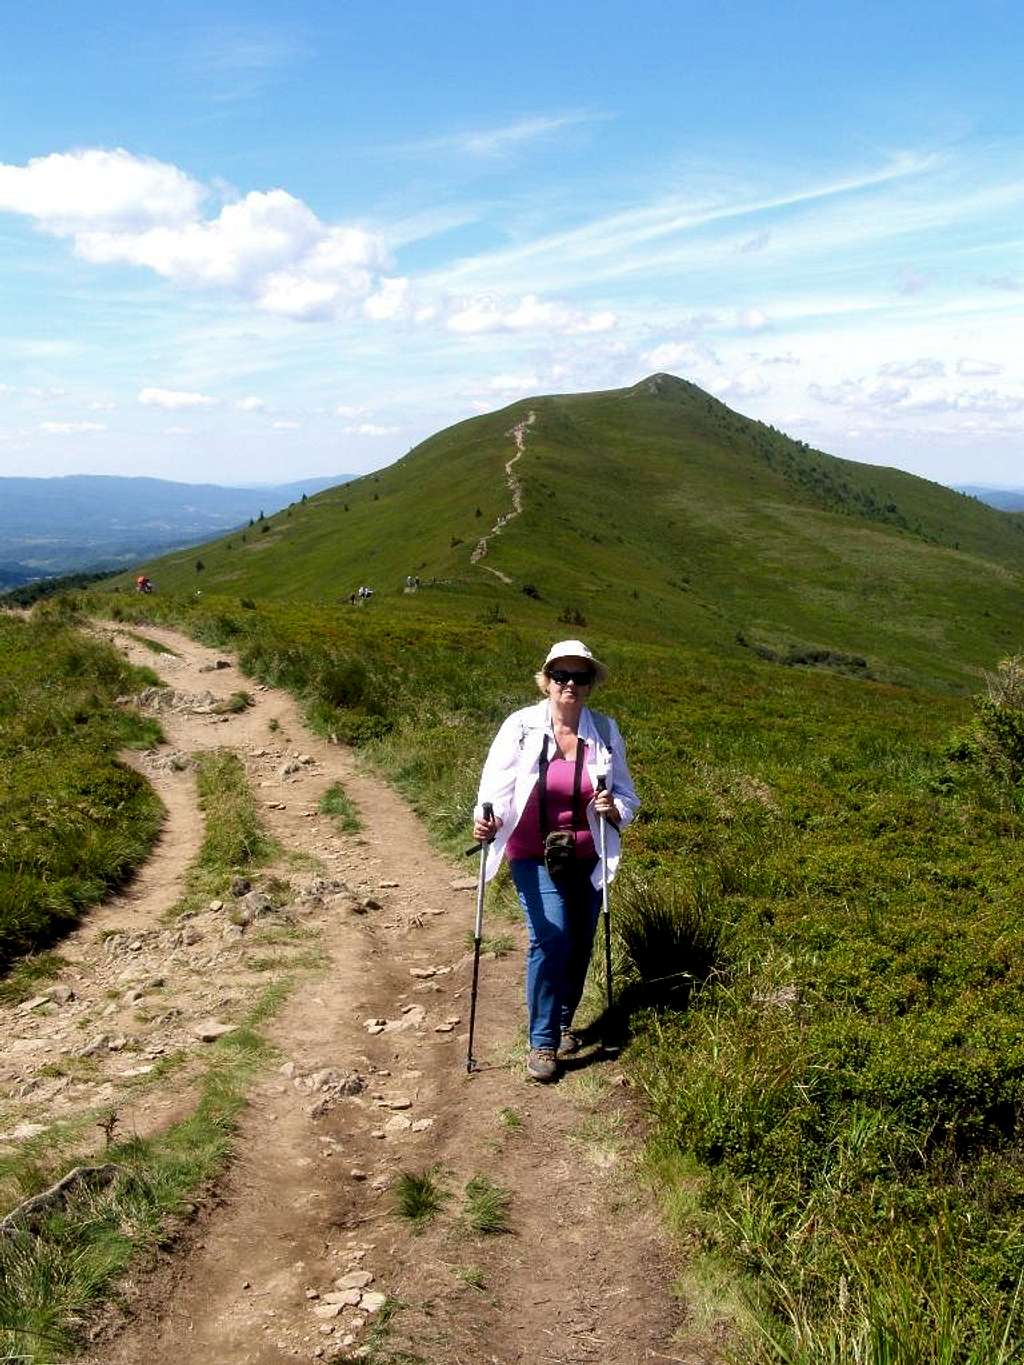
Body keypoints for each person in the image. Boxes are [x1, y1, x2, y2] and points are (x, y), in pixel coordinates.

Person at [473, 640, 639, 1082]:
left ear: (590, 685)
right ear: (545, 681)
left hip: (588, 854)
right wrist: (486, 821)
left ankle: (564, 1019)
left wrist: (614, 809)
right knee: (551, 937)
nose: (570, 684)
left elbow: (627, 795)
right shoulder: (521, 728)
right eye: (560, 676)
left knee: (580, 943)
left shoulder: (604, 731)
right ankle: (543, 1042)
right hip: (531, 852)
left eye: (580, 677)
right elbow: (495, 788)